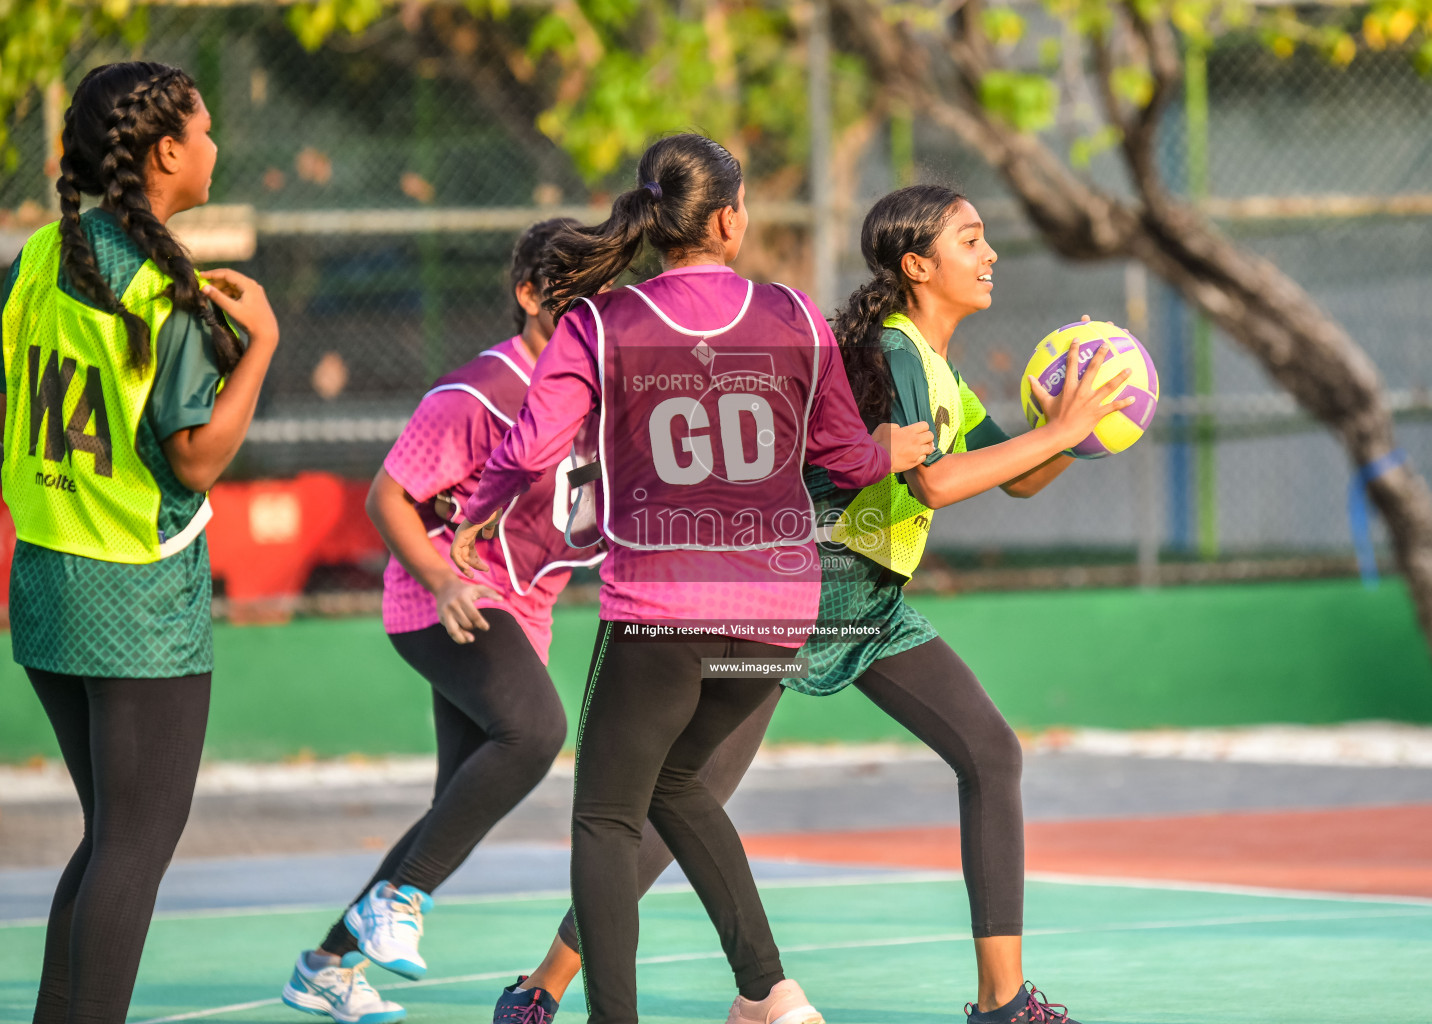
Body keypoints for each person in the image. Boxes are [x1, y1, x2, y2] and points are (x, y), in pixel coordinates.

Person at [504, 183, 1135, 1024]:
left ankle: (1002, 1002)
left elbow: (1014, 475)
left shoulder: (939, 371)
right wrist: (1060, 432)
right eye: (972, 240)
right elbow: (939, 481)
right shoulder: (896, 349)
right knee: (676, 794)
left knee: (987, 754)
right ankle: (550, 985)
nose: (990, 256)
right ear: (918, 265)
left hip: (870, 601)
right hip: (815, 588)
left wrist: (1069, 426)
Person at [448, 133, 933, 1024]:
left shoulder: (597, 324)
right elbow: (845, 457)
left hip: (660, 613)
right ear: (726, 219)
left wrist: (475, 511)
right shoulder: (793, 316)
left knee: (605, 817)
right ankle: (770, 993)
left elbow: (531, 448)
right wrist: (890, 453)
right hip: (776, 617)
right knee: (675, 785)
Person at [0, 61, 279, 1024]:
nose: (215, 147)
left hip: (47, 576)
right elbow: (196, 462)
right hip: (137, 593)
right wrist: (262, 349)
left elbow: (1, 407)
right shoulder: (164, 290)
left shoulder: (39, 257)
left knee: (109, 835)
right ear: (165, 153)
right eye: (203, 131)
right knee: (136, 843)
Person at [279, 218, 615, 1024]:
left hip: (519, 605)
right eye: (567, 296)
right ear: (527, 295)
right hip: (446, 598)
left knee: (455, 807)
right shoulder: (478, 394)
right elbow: (385, 497)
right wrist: (440, 579)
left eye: (597, 298)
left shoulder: (599, 391)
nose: (585, 314)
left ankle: (325, 964)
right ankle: (397, 895)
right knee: (534, 732)